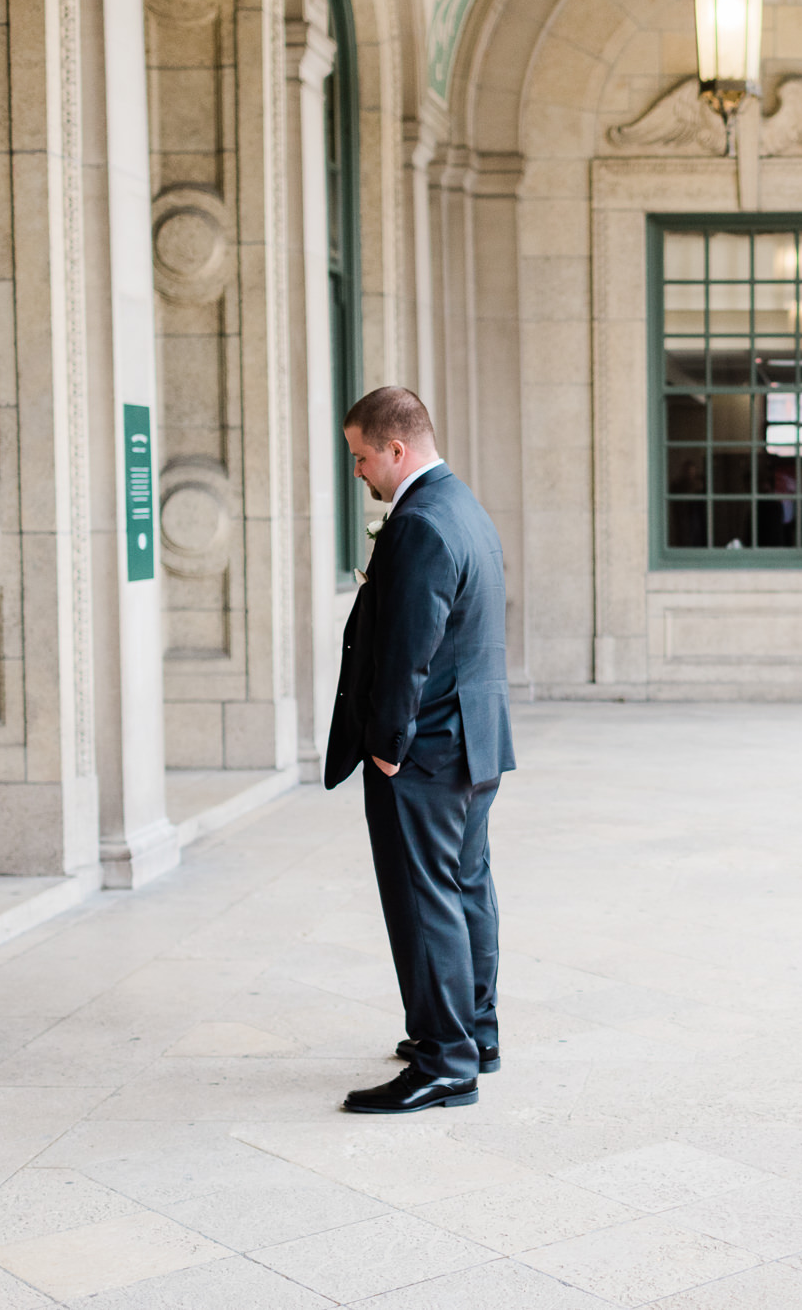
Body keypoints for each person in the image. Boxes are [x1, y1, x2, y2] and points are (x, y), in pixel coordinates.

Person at [324, 387, 516, 1114]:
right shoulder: (464, 506)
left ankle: (444, 1062)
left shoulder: (421, 523)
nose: (358, 471)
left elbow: (409, 648)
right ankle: (475, 1034)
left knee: (424, 897)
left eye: (361, 456)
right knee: (465, 888)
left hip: (428, 747)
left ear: (395, 451)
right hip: (475, 737)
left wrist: (387, 746)